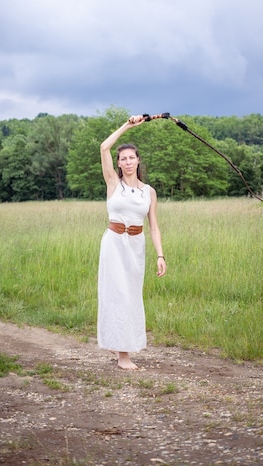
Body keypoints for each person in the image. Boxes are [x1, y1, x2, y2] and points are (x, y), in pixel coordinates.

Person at [97, 114, 167, 370]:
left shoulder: (149, 192)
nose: (127, 162)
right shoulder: (113, 183)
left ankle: (126, 346)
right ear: (118, 163)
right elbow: (104, 147)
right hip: (114, 243)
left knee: (131, 297)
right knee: (117, 295)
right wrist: (128, 125)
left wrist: (160, 255)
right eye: (123, 158)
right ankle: (122, 356)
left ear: (138, 161)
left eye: (131, 157)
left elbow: (154, 227)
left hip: (136, 246)